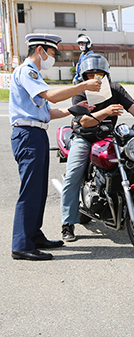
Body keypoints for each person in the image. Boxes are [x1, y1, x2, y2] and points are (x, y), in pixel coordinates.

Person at [9, 33, 101, 261]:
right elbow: (52, 96)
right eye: (52, 53)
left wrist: (77, 109)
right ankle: (21, 244)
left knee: (38, 190)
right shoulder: (27, 71)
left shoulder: (35, 75)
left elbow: (48, 112)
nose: (53, 58)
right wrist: (84, 85)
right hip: (27, 134)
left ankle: (33, 235)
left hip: (36, 133)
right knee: (30, 191)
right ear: (40, 50)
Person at [60, 54, 134, 242]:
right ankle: (67, 224)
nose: (96, 77)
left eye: (99, 73)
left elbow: (132, 105)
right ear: (85, 76)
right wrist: (106, 112)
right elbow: (84, 121)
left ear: (106, 74)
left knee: (131, 161)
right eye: (91, 74)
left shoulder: (115, 89)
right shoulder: (81, 92)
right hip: (84, 137)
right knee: (73, 175)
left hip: (109, 137)